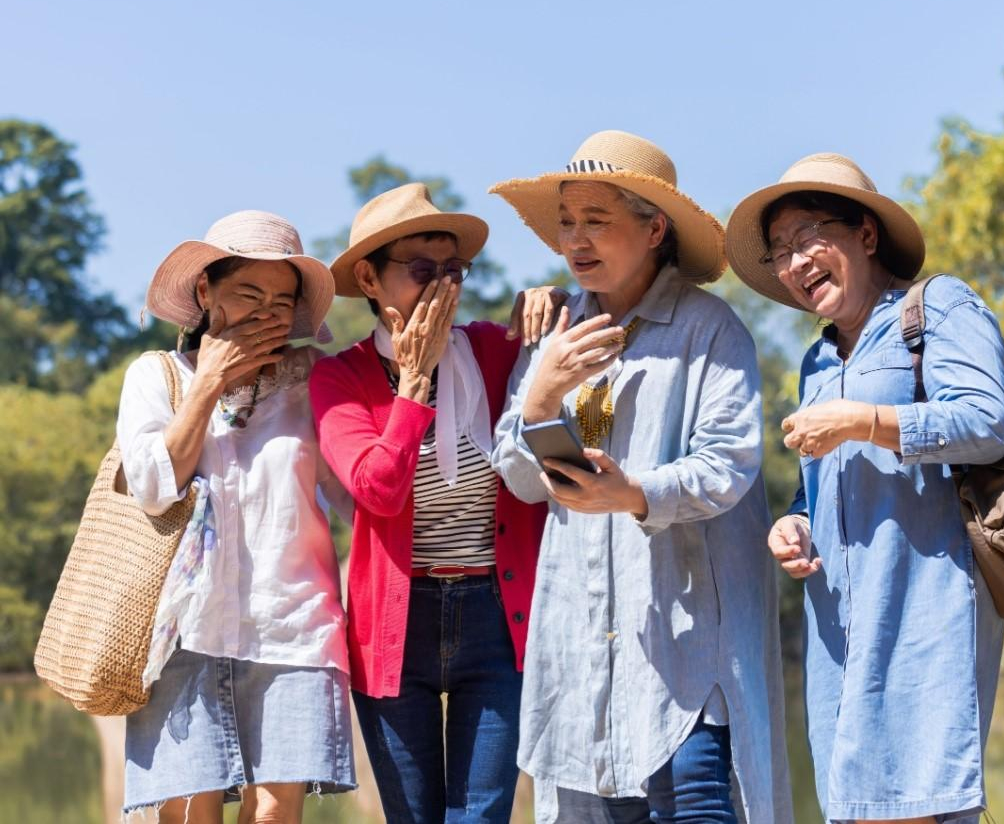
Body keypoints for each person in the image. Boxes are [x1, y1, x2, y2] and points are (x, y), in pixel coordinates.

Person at [489, 131, 793, 824]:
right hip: (579, 661)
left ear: (655, 228)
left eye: (597, 220)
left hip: (686, 660)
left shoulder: (710, 331)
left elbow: (729, 464)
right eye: (567, 222)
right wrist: (541, 394)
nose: (575, 239)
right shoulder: (553, 331)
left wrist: (630, 494)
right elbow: (521, 479)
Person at [726, 153, 1004, 824]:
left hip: (926, 616)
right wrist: (793, 523)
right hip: (836, 640)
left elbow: (988, 420)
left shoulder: (937, 307)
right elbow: (815, 491)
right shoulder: (816, 361)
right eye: (780, 253)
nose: (795, 264)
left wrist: (865, 420)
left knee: (913, 808)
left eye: (807, 239)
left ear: (866, 234)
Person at [309, 182, 555, 823]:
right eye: (422, 271)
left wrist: (552, 301)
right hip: (395, 622)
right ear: (370, 276)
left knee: (482, 815)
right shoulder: (340, 378)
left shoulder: (497, 352)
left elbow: (573, 339)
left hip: (497, 618)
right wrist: (414, 387)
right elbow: (378, 489)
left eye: (455, 271)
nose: (444, 287)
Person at [117, 211, 354, 822]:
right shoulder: (157, 377)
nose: (266, 310)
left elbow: (359, 496)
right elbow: (151, 487)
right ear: (205, 292)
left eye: (282, 299)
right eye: (249, 293)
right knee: (187, 815)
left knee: (276, 814)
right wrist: (210, 383)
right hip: (183, 631)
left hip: (295, 628)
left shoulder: (316, 384)